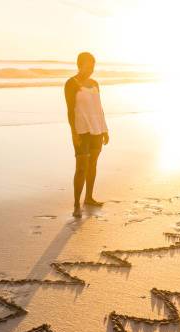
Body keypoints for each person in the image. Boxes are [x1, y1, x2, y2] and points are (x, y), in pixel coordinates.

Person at [64, 52, 109, 218]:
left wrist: (105, 129)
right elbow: (70, 111)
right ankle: (76, 204)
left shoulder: (95, 83)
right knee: (81, 168)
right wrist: (73, 133)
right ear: (79, 65)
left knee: (93, 165)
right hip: (81, 131)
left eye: (93, 66)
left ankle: (89, 198)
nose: (91, 69)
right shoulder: (71, 83)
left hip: (97, 129)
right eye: (88, 65)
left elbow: (99, 107)